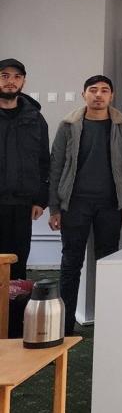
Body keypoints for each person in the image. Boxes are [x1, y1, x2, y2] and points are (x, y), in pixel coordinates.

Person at [48, 74, 122, 335]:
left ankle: (108, 325)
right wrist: (54, 207)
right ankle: (65, 327)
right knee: (71, 263)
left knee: (107, 263)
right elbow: (56, 165)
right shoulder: (68, 125)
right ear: (83, 94)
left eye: (104, 90)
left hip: (110, 205)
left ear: (112, 96)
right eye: (93, 90)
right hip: (75, 204)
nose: (98, 95)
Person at [0, 58, 49, 281]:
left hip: (22, 205)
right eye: (4, 76)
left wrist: (40, 199)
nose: (11, 81)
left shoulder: (35, 118)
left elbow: (43, 161)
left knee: (18, 264)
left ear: (23, 82)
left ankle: (16, 304)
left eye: (17, 77)